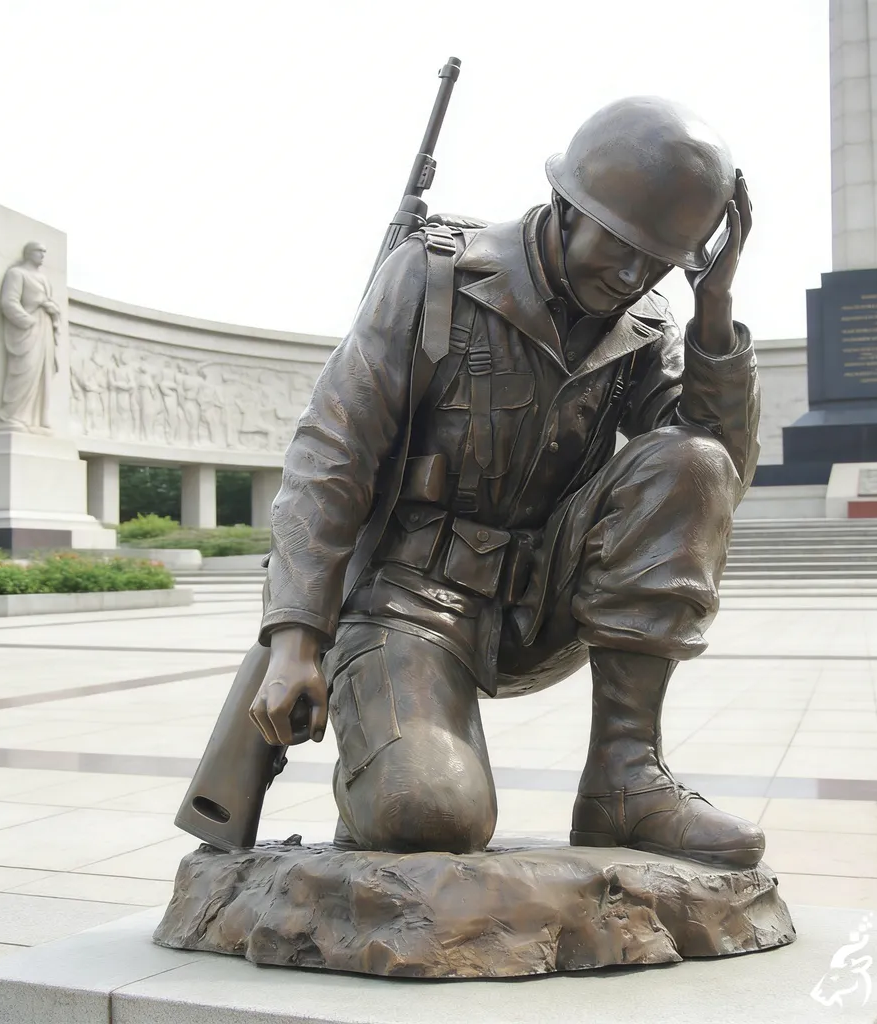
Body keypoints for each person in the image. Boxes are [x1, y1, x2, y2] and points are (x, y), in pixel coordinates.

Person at [248, 96, 765, 867]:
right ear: (564, 205)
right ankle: (388, 769)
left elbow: (719, 472)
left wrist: (712, 304)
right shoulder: (433, 278)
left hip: (541, 604)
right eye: (620, 245)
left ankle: (625, 779)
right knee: (430, 817)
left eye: (656, 260)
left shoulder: (649, 324)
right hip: (408, 599)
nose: (631, 274)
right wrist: (295, 641)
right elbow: (332, 453)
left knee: (688, 458)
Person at [0, 241, 60, 433]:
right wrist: (28, 321)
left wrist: (53, 310)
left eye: (44, 251)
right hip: (28, 330)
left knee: (42, 373)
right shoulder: (17, 273)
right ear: (28, 253)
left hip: (45, 330)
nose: (42, 254)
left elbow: (49, 302)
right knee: (25, 370)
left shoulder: (44, 279)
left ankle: (37, 419)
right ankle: (13, 415)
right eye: (39, 251)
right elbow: (9, 302)